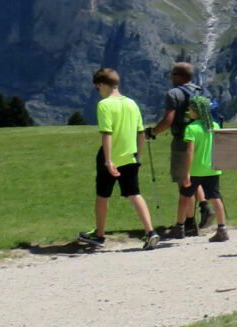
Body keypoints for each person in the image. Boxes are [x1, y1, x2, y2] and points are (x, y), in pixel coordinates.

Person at [81, 68, 161, 250]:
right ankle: (150, 232)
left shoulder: (104, 105)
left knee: (102, 196)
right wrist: (138, 156)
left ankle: (99, 235)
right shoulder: (132, 103)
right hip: (130, 156)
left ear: (102, 85)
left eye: (97, 88)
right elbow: (141, 133)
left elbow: (107, 134)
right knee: (134, 193)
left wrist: (108, 160)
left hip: (111, 158)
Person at [144, 62, 209, 238]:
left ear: (178, 76)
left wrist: (152, 132)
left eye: (172, 74)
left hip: (183, 141)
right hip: (204, 140)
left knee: (184, 181)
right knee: (196, 176)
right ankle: (204, 207)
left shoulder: (174, 94)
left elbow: (168, 120)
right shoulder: (202, 91)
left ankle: (187, 225)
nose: (171, 77)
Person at [182, 99, 229, 242]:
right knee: (215, 198)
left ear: (197, 111)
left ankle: (181, 226)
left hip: (196, 169)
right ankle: (222, 228)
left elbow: (190, 151)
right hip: (213, 168)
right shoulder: (214, 125)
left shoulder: (191, 128)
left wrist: (186, 172)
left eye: (190, 109)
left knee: (185, 196)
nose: (188, 111)